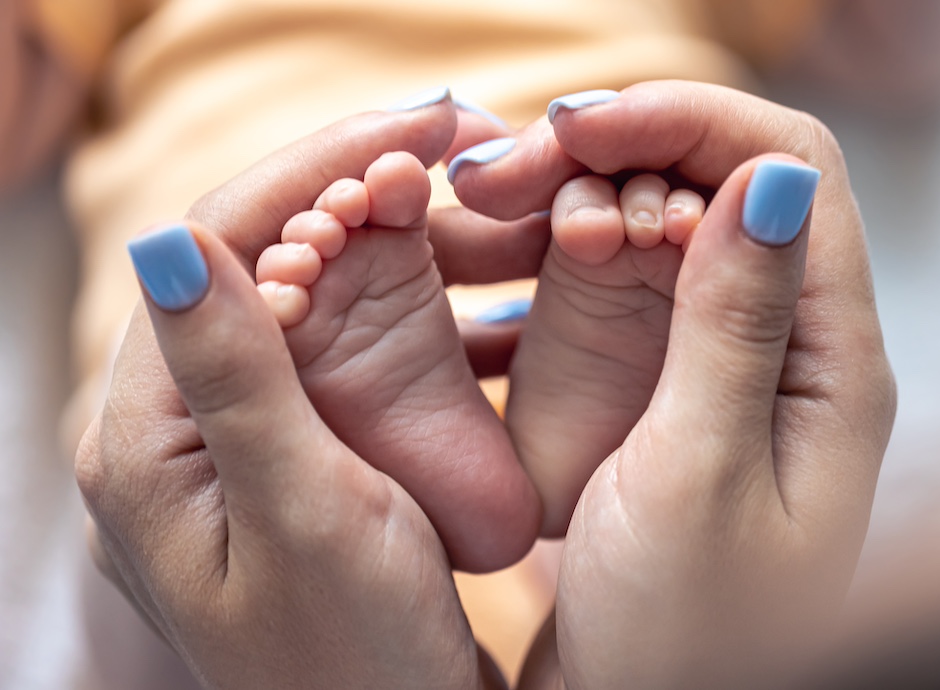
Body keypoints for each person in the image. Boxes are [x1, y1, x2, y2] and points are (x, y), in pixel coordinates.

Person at [78, 79, 896, 688]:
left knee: (169, 510)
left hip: (280, 171)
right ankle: (601, 498)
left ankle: (367, 478)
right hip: (587, 180)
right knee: (157, 497)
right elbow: (908, 58)